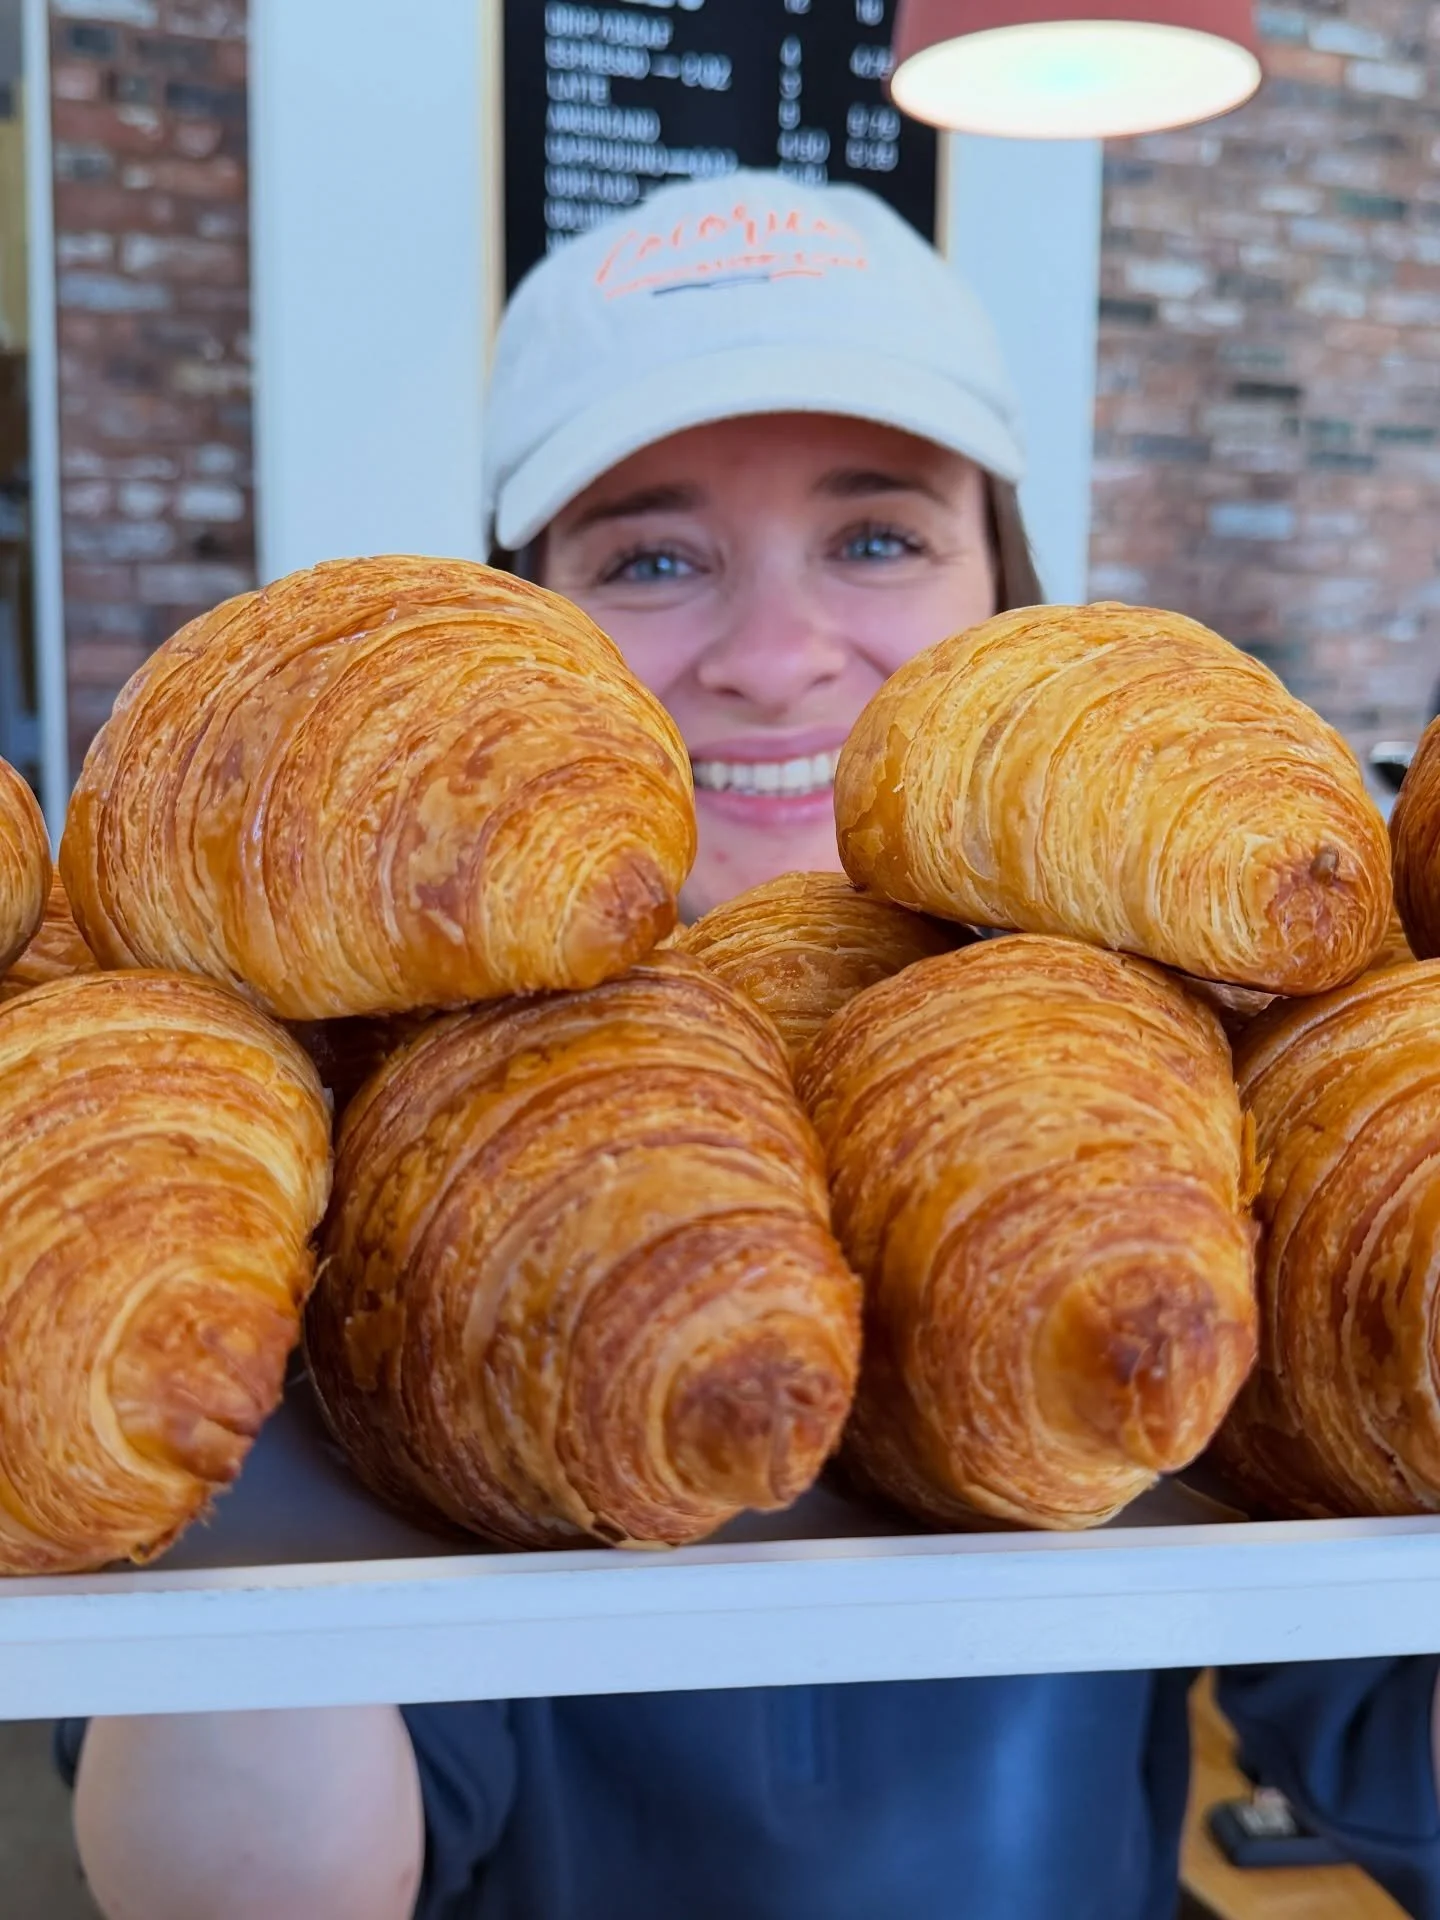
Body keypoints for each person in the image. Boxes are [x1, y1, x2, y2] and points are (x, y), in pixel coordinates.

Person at [60, 173, 1440, 1920]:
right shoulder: (376, 1145)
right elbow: (260, 1889)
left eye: (877, 538)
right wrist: (230, 1301)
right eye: (652, 557)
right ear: (526, 635)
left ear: (1008, 606)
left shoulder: (1182, 1080)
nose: (781, 660)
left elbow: (1391, 1730)